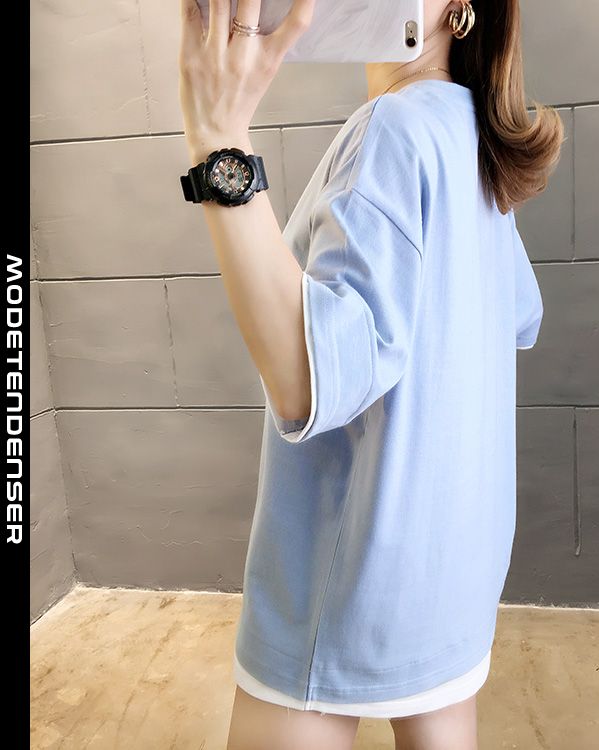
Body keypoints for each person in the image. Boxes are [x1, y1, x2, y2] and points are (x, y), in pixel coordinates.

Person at [178, 1, 563, 748]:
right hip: (454, 573)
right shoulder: (468, 134)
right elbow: (518, 313)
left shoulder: (393, 129)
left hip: (350, 581)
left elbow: (309, 381)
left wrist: (218, 142)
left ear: (458, 9)